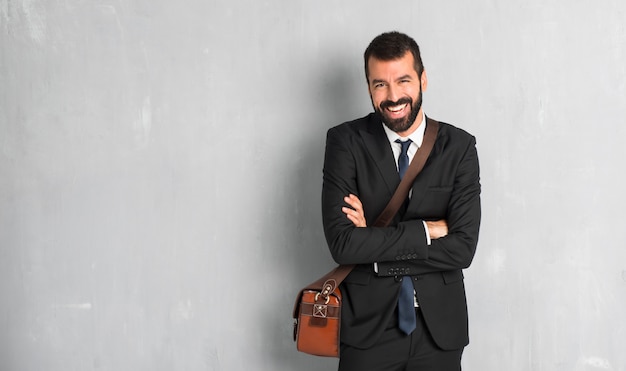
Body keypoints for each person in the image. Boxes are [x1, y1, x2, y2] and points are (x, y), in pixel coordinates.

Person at [321, 31, 481, 371]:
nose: (393, 96)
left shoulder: (460, 148)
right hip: (367, 330)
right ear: (368, 86)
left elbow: (463, 249)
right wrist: (428, 230)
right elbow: (344, 245)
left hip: (440, 330)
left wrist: (374, 250)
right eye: (380, 84)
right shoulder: (344, 142)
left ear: (423, 79)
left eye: (403, 80)